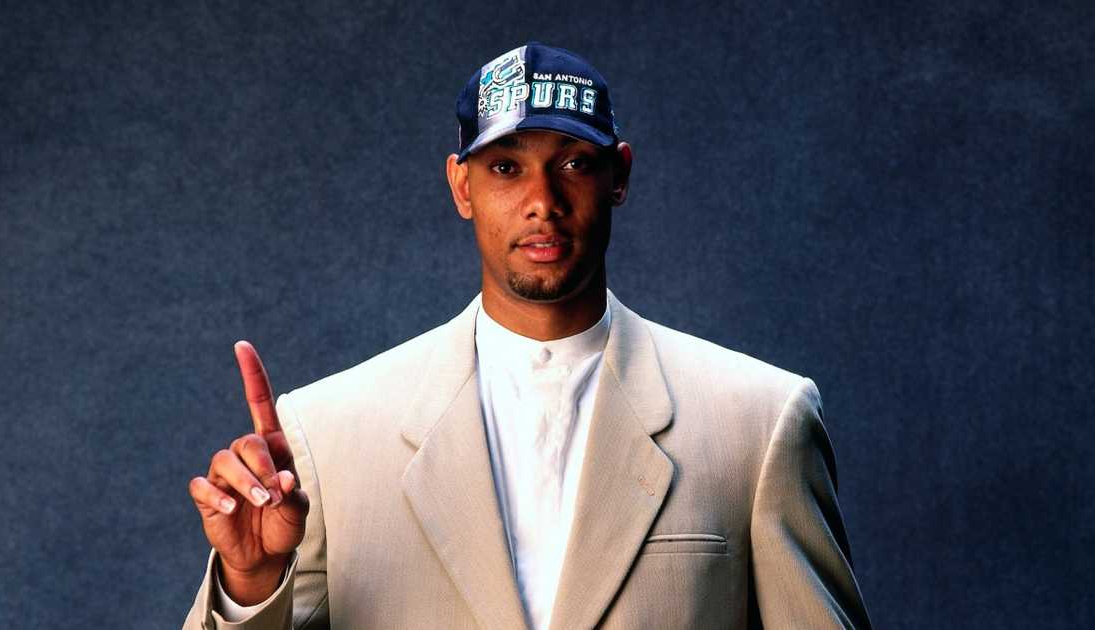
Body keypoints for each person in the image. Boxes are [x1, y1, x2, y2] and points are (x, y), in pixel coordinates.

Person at [183, 42, 872, 629]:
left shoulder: (757, 422)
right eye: (506, 167)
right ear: (462, 187)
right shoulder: (327, 436)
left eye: (573, 161)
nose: (542, 199)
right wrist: (249, 585)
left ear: (619, 176)